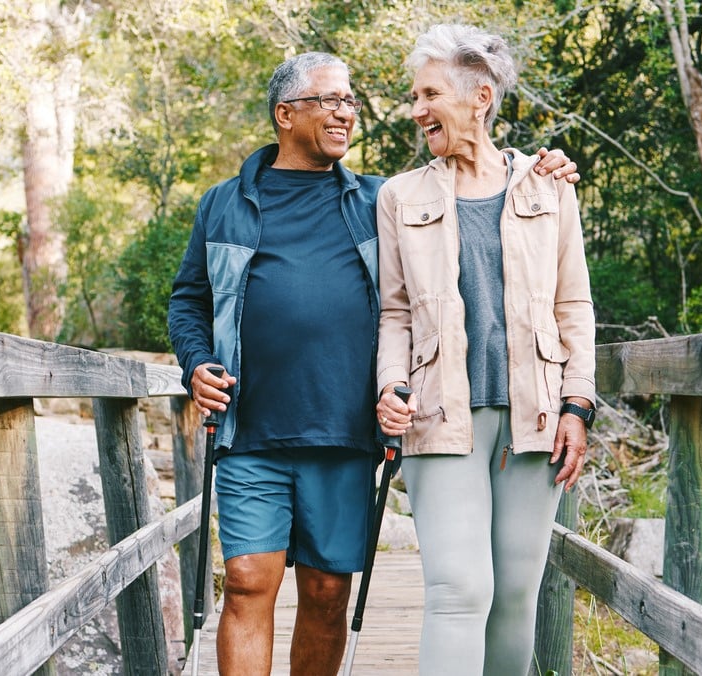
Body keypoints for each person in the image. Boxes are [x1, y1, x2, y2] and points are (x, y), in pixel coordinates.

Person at [169, 50, 578, 675]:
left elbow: (440, 248)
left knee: (329, 593)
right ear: (285, 114)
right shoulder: (224, 205)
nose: (346, 113)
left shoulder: (378, 201)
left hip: (344, 434)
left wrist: (538, 167)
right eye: (330, 101)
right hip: (249, 428)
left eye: (350, 102)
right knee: (249, 580)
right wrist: (195, 363)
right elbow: (189, 301)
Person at [374, 24, 596, 676]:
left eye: (428, 94)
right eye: (414, 96)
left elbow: (574, 306)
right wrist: (390, 385)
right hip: (439, 415)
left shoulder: (550, 187)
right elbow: (393, 312)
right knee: (459, 590)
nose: (416, 110)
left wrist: (577, 405)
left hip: (536, 417)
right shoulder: (399, 196)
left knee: (516, 594)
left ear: (480, 97)